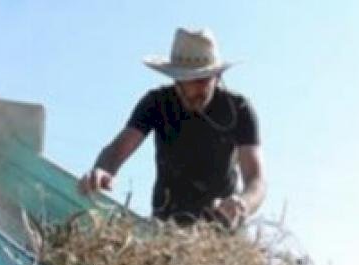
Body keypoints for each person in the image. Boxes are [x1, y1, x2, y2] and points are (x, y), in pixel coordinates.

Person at [77, 27, 266, 228]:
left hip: (219, 235)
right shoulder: (156, 104)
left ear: (218, 77)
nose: (194, 90)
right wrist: (104, 170)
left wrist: (243, 202)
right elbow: (119, 148)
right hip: (166, 230)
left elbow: (256, 179)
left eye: (202, 80)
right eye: (187, 80)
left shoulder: (239, 110)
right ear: (175, 79)